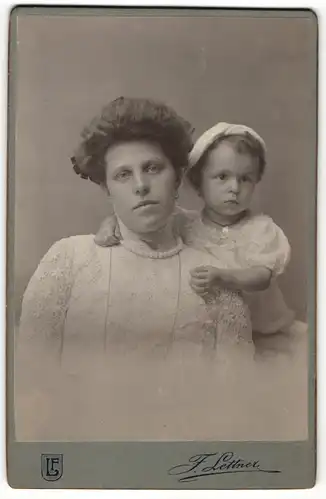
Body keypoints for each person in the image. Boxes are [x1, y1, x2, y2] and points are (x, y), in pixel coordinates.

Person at [15, 99, 255, 442]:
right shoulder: (67, 259)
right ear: (106, 189)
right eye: (123, 175)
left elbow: (237, 401)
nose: (140, 185)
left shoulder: (216, 277)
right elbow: (30, 379)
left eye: (153, 168)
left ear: (177, 178)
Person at [95, 122, 307, 356]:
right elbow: (141, 222)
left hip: (267, 334)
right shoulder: (186, 223)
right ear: (198, 184)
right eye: (222, 177)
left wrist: (225, 276)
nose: (234, 187)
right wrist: (111, 224)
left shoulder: (261, 229)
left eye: (245, 178)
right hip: (216, 332)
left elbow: (261, 277)